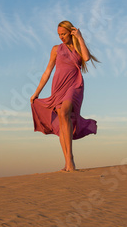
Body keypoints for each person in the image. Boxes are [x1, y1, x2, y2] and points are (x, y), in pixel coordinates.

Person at [30, 20, 99, 172]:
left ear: (70, 32)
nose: (61, 37)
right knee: (62, 119)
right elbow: (47, 71)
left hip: (75, 85)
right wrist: (37, 93)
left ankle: (70, 162)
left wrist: (80, 37)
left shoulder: (78, 47)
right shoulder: (56, 49)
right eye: (59, 34)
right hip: (58, 87)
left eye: (64, 34)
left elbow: (86, 58)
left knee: (65, 110)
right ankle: (68, 161)